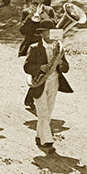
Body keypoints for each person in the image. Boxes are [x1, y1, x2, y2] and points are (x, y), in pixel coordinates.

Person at [24, 21, 70, 155]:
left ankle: (39, 137)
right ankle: (48, 141)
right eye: (47, 32)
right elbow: (26, 67)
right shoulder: (34, 48)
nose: (50, 35)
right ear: (42, 34)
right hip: (39, 83)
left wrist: (61, 63)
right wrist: (39, 68)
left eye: (52, 32)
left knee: (48, 111)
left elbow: (66, 68)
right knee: (42, 111)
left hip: (54, 82)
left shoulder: (58, 48)